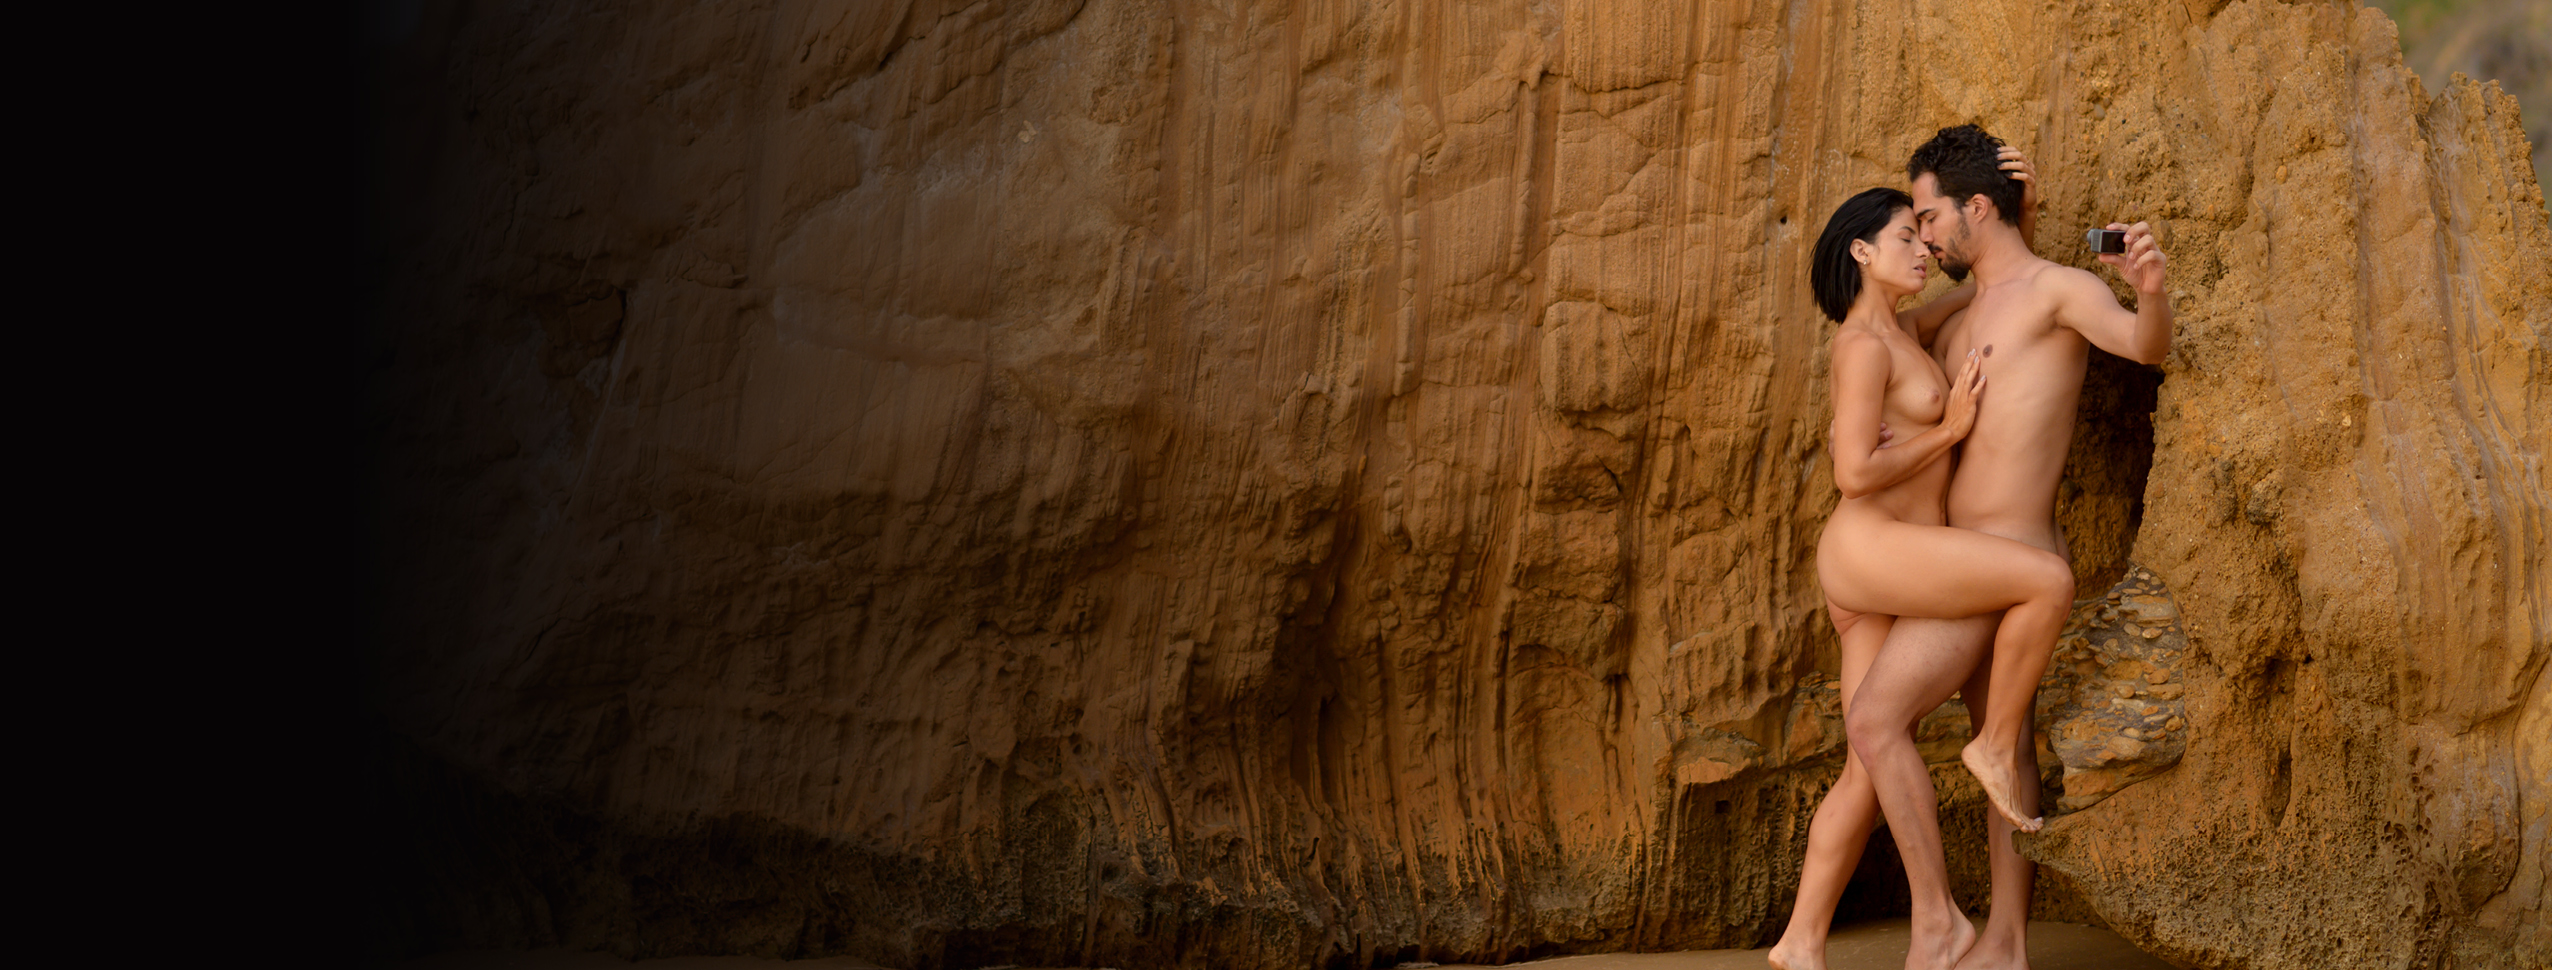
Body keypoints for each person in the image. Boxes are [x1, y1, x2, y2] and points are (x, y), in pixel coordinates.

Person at [1842, 123, 2173, 970]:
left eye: (1929, 217)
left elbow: (2142, 346)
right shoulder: (1957, 315)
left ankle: (1988, 938)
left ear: (1974, 207)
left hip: (2010, 555)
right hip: (1958, 562)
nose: (1922, 236)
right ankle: (2003, 947)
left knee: (1895, 722)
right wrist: (2027, 206)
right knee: (2004, 746)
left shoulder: (2057, 290)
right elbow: (1885, 331)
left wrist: (2150, 289)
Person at [1766, 145, 2045, 970]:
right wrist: (1951, 434)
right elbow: (1853, 471)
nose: (1923, 249)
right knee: (2040, 578)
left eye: (1925, 236)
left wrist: (2020, 216)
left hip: (1884, 564)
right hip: (1879, 552)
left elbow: (1988, 286)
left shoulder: (1902, 327)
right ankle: (1936, 919)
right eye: (1904, 237)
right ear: (1861, 252)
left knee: (1868, 756)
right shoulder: (1862, 345)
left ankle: (1799, 943)